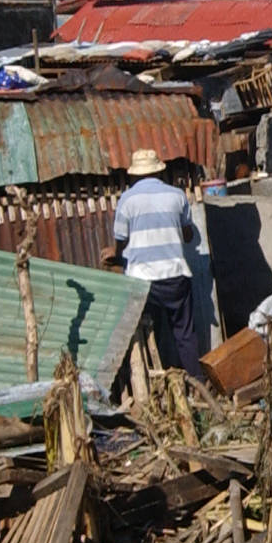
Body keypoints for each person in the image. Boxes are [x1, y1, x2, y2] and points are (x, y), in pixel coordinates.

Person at [110, 149, 202, 375]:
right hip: (175, 275)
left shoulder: (127, 200)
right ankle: (197, 381)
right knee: (184, 333)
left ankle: (153, 384)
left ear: (134, 175)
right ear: (159, 172)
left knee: (147, 333)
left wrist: (114, 253)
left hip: (143, 280)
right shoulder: (176, 195)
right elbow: (188, 235)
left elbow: (121, 239)